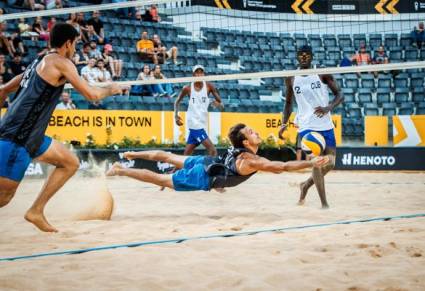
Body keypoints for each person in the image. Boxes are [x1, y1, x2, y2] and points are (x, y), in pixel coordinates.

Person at [0, 23, 122, 232]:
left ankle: (36, 210)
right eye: (75, 44)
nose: (75, 48)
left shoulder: (40, 60)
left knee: (70, 163)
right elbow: (92, 96)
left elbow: (5, 88)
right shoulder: (63, 63)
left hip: (32, 136)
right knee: (4, 198)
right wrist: (112, 88)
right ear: (68, 43)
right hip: (18, 137)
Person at [106, 123, 329, 191]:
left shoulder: (239, 151)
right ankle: (120, 170)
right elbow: (283, 166)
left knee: (166, 156)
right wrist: (311, 161)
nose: (256, 132)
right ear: (245, 142)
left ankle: (131, 153)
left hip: (207, 163)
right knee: (160, 179)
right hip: (203, 176)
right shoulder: (251, 160)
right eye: (251, 132)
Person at [278, 45, 344, 209]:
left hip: (325, 124)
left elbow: (340, 95)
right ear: (297, 57)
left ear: (312, 57)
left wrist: (329, 108)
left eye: (307, 54)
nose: (304, 57)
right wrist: (284, 124)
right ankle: (324, 204)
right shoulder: (292, 78)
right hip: (306, 125)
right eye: (301, 55)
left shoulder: (321, 73)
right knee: (317, 162)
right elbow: (288, 104)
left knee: (330, 163)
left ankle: (306, 185)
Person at [174, 65, 224, 156]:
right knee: (212, 151)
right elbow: (177, 102)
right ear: (193, 75)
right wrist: (176, 116)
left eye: (201, 72)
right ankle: (210, 170)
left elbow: (221, 105)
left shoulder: (209, 86)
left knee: (186, 155)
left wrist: (218, 104)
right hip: (194, 123)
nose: (199, 74)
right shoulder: (187, 88)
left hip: (202, 122)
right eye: (197, 72)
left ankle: (174, 170)